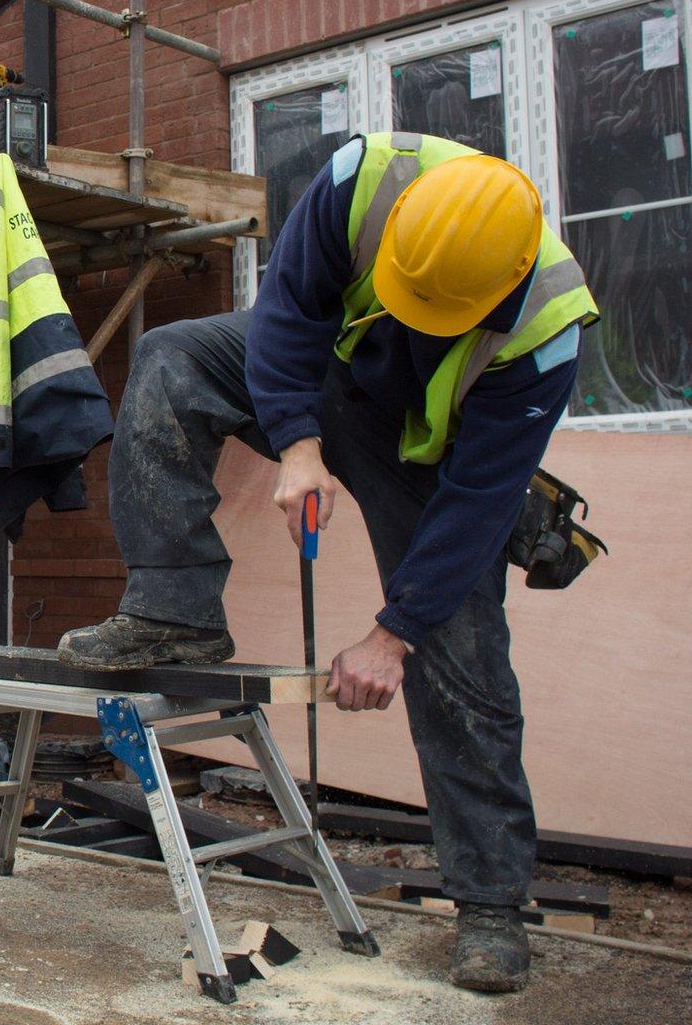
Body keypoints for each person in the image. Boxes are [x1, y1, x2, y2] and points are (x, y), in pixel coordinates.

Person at [57, 131, 597, 993]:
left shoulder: (548, 332)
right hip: (327, 375)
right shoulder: (362, 183)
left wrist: (395, 632)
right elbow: (287, 319)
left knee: (462, 651)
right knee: (174, 358)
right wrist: (299, 446)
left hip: (427, 456)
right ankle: (173, 610)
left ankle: (492, 906)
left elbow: (479, 502)